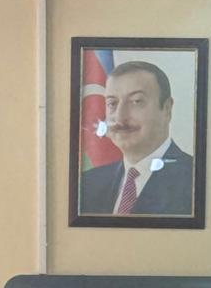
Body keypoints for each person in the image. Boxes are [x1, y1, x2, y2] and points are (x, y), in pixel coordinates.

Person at [79, 60, 194, 217]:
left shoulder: (195, 180)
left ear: (167, 109)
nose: (120, 117)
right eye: (112, 103)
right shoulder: (88, 183)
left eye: (136, 101)